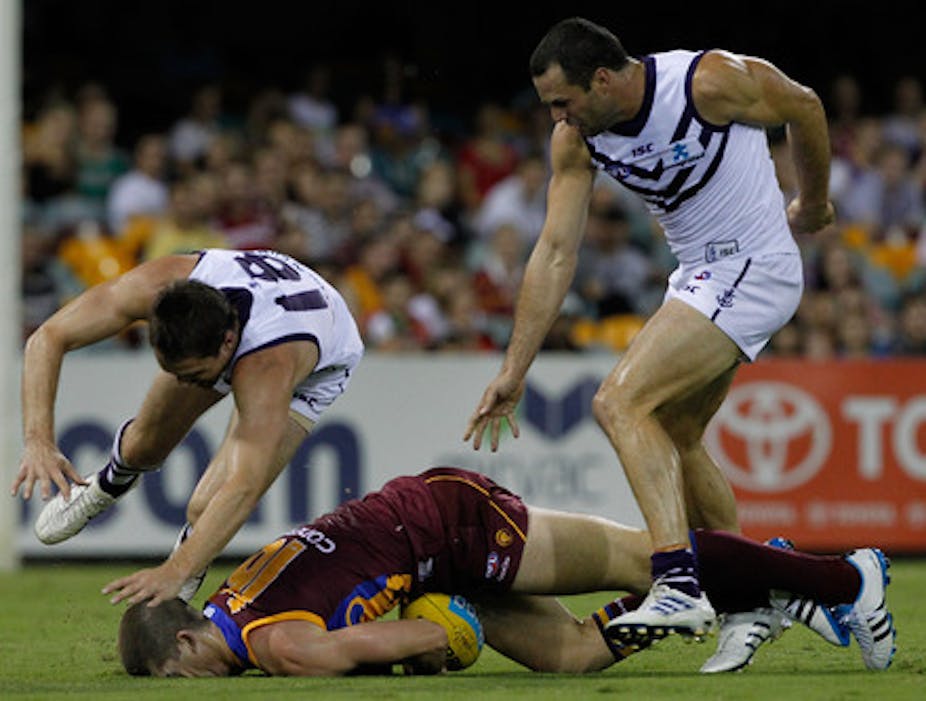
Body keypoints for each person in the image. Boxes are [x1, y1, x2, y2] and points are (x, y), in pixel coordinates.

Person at [464, 17, 836, 646]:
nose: (558, 117)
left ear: (603, 79)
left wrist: (815, 201)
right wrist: (514, 369)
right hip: (698, 276)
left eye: (564, 101)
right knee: (677, 435)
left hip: (753, 266)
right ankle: (762, 593)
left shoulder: (707, 82)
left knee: (618, 402)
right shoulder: (576, 140)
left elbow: (805, 105)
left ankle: (678, 583)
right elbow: (555, 252)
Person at [117, 467, 895, 677]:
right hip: (423, 543)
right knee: (572, 656)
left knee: (639, 551)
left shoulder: (277, 648)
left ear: (185, 644)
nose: (194, 686)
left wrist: (432, 647)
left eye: (178, 677)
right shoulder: (228, 599)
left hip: (447, 523)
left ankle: (841, 577)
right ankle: (758, 585)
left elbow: (430, 634)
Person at [11, 248, 364, 606]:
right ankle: (109, 482)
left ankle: (182, 582)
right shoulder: (159, 286)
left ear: (228, 344)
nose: (183, 382)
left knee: (206, 506)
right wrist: (38, 441)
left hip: (320, 358)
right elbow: (47, 338)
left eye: (193, 375)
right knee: (142, 447)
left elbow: (245, 486)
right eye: (173, 370)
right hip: (262, 303)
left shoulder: (267, 369)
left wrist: (176, 568)